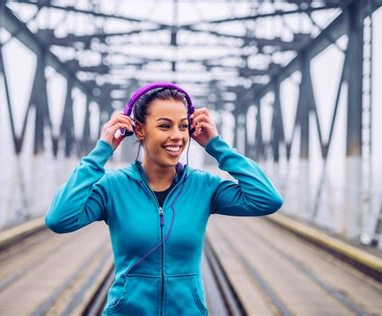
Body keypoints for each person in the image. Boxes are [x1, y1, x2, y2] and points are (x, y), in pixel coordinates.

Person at [44, 82, 283, 315]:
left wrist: (216, 146)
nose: (177, 136)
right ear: (139, 130)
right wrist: (101, 152)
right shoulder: (113, 187)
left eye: (183, 126)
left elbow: (267, 199)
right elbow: (59, 218)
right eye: (165, 126)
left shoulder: (204, 187)